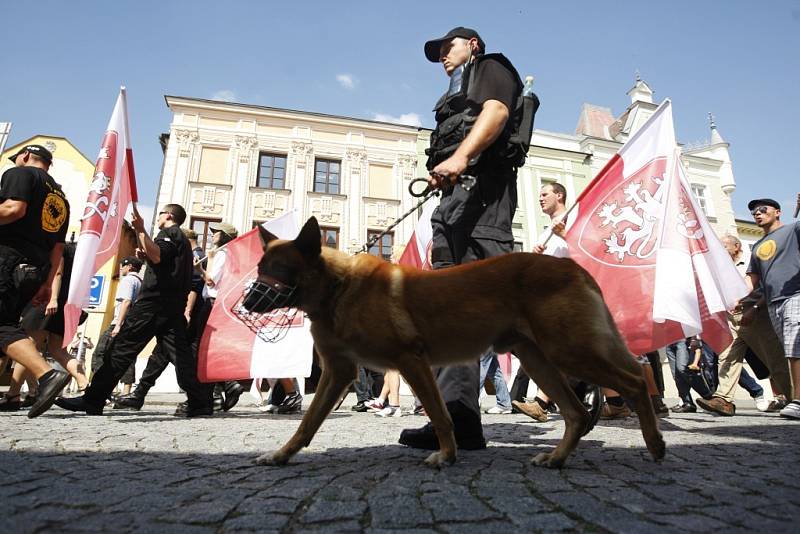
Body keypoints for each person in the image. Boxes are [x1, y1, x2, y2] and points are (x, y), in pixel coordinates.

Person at [399, 27, 527, 451]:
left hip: (483, 202)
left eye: (446, 47)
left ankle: (601, 379)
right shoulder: (453, 93)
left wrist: (460, 156)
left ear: (471, 44)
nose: (441, 56)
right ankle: (455, 420)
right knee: (450, 314)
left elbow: (495, 114)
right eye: (435, 52)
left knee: (516, 312)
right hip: (454, 206)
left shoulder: (490, 67)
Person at [55, 203, 214, 416]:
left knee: (121, 348)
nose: (157, 218)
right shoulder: (183, 241)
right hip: (173, 306)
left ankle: (93, 399)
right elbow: (162, 261)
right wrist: (146, 252)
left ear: (168, 215)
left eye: (159, 215)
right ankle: (200, 402)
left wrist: (140, 229)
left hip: (154, 304)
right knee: (182, 357)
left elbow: (158, 255)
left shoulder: (169, 233)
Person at [0, 144, 72, 417]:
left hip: (7, 259)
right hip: (35, 268)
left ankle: (46, 375)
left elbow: (13, 208)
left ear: (27, 156)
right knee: (6, 326)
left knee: (2, 325)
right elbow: (57, 249)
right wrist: (46, 282)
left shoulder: (22, 174)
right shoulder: (61, 198)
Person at [697, 234, 791, 416]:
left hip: (756, 315)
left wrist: (755, 308)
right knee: (727, 357)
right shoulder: (723, 267)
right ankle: (723, 399)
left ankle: (794, 397)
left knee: (773, 358)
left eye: (724, 246)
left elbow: (768, 287)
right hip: (732, 318)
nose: (720, 251)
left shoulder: (753, 260)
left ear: (737, 246)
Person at [740, 198, 800, 419]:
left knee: (795, 345)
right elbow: (751, 281)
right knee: (789, 349)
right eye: (754, 211)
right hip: (773, 302)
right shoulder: (756, 247)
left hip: (795, 293)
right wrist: (735, 296)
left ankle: (798, 401)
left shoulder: (793, 230)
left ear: (777, 212)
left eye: (762, 209)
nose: (757, 213)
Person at [91, 256, 142, 395]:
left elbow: (126, 301)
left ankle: (101, 389)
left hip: (119, 324)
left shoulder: (128, 280)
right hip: (132, 324)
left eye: (123, 265)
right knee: (126, 356)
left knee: (100, 354)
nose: (121, 268)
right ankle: (125, 391)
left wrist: (118, 324)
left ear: (130, 266)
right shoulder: (139, 282)